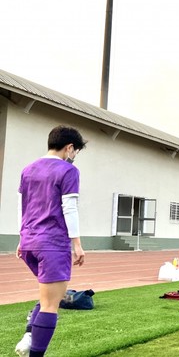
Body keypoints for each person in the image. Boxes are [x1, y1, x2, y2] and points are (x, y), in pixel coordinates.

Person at [14, 125, 87, 357]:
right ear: (69, 148)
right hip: (52, 243)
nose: (74, 157)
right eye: (75, 152)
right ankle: (35, 351)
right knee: (51, 304)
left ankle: (29, 333)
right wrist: (77, 243)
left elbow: (21, 207)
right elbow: (70, 207)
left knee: (48, 295)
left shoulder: (28, 169)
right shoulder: (68, 171)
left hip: (29, 242)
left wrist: (21, 237)